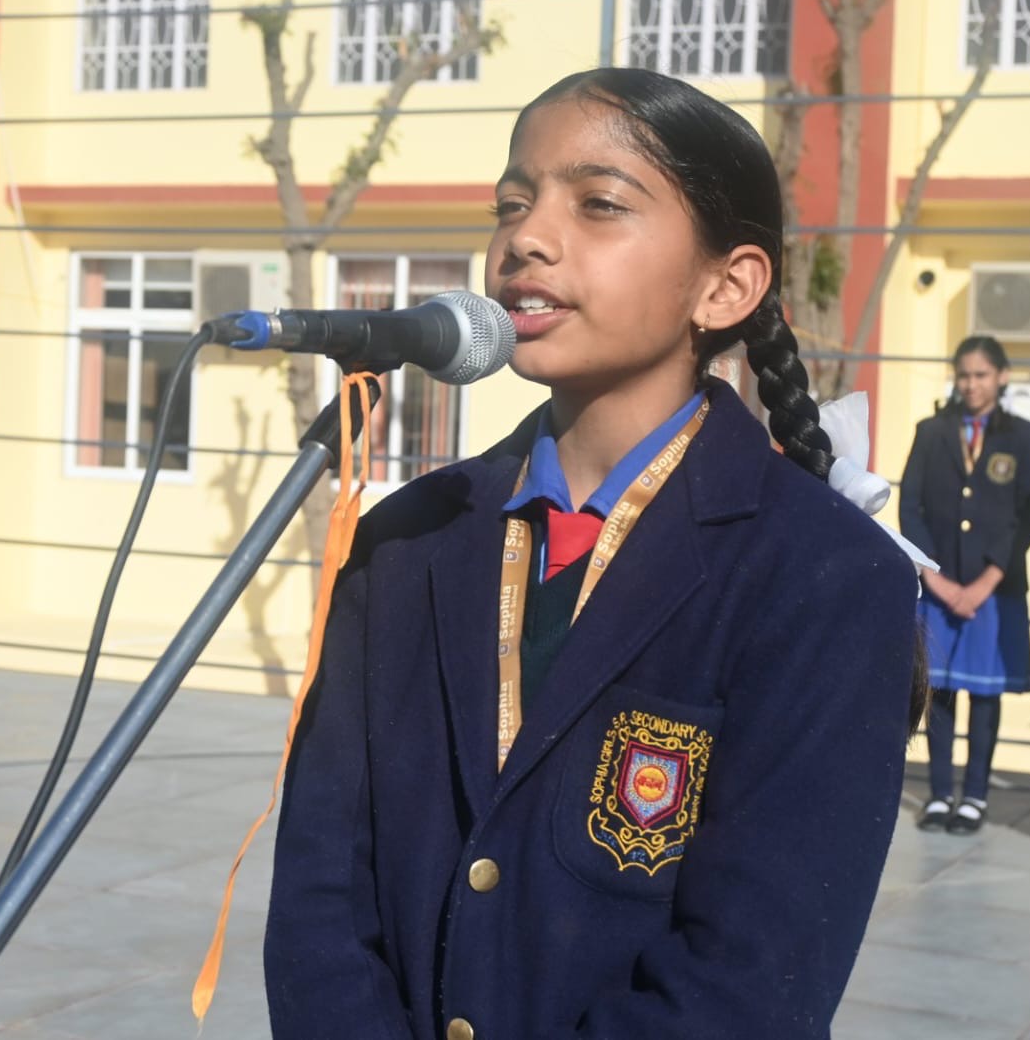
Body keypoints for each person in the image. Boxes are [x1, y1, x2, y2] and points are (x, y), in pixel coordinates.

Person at [263, 68, 924, 1040]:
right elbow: (320, 895)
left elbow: (748, 981)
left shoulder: (827, 575)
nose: (526, 237)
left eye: (599, 204)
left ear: (727, 285)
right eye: (512, 203)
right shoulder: (405, 542)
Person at [900, 337, 1030, 834]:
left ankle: (976, 796)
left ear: (1002, 377)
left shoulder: (1023, 437)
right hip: (939, 584)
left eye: (981, 375)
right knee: (939, 691)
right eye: (964, 374)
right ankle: (941, 793)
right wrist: (934, 577)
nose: (971, 384)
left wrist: (988, 579)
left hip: (994, 589)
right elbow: (911, 505)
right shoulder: (931, 432)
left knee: (985, 696)